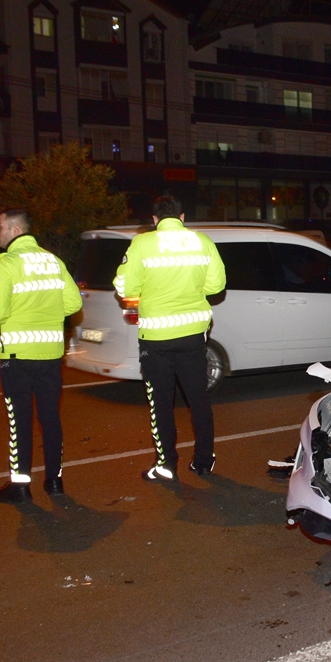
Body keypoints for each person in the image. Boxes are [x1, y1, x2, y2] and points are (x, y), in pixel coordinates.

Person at [115, 195, 226, 482]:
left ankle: (166, 464)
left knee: (160, 403)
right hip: (192, 336)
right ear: (182, 217)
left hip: (156, 339)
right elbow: (217, 284)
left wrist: (147, 291)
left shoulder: (142, 243)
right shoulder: (202, 241)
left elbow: (126, 286)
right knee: (198, 399)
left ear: (154, 220)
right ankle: (203, 461)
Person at [0, 210, 82, 503]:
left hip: (17, 355)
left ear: (15, 230)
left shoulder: (6, 263)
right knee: (51, 418)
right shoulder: (53, 261)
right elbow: (73, 302)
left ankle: (20, 486)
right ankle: (54, 481)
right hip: (50, 353)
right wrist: (45, 314)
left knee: (20, 420)